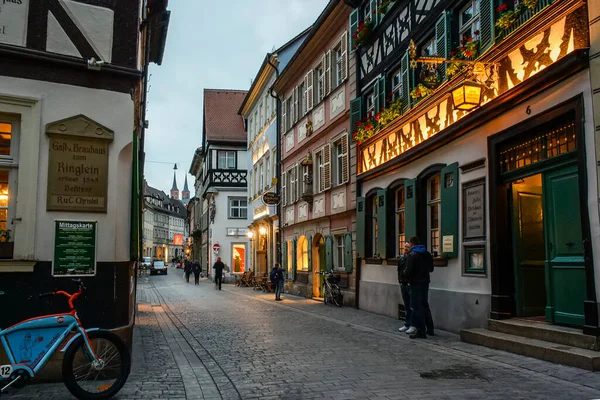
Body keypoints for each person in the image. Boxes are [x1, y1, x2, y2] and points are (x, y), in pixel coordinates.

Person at [404, 236, 435, 339]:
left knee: (417, 307)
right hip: (425, 282)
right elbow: (431, 269)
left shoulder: (412, 255)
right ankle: (430, 328)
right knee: (424, 304)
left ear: (412, 244)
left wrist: (406, 275)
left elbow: (408, 271)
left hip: (415, 283)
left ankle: (421, 331)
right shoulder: (427, 254)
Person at [397, 241, 413, 334]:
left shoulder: (412, 258)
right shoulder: (402, 259)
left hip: (409, 284)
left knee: (411, 306)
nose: (406, 248)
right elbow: (399, 271)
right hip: (403, 284)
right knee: (407, 305)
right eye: (405, 247)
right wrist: (399, 281)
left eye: (407, 247)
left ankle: (412, 324)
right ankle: (407, 323)